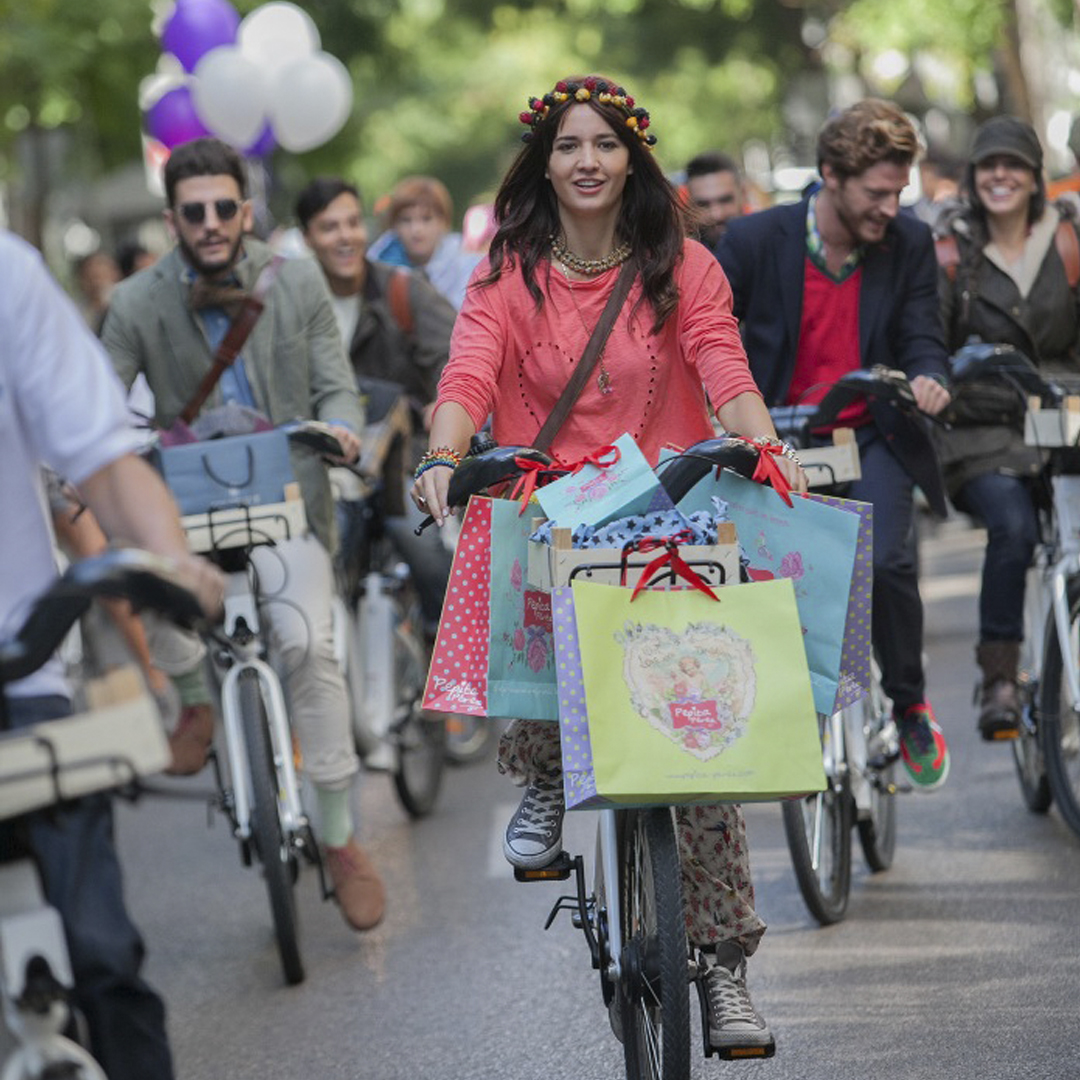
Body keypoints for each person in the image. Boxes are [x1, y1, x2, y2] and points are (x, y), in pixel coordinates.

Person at [411, 73, 807, 1056]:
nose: (585, 161)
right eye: (566, 145)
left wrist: (764, 443)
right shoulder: (507, 269)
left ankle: (719, 970)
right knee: (508, 554)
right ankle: (541, 772)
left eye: (604, 144)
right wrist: (443, 456)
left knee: (702, 735)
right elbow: (468, 370)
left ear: (633, 156)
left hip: (665, 507)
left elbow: (722, 361)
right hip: (549, 508)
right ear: (541, 162)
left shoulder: (683, 263)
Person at [100, 137, 386, 932]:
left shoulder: (294, 282)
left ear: (246, 210)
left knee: (307, 650)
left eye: (225, 207)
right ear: (172, 220)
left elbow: (336, 381)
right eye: (194, 213)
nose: (211, 223)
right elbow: (96, 408)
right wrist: (89, 467)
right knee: (140, 561)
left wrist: (342, 427)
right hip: (182, 512)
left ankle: (339, 839)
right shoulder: (134, 304)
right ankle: (194, 700)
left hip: (289, 501)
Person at [0, 228, 225, 1080]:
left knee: (102, 956)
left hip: (21, 669)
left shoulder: (6, 278)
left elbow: (99, 457)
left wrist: (170, 561)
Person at [717, 98, 954, 791]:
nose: (891, 206)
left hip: (872, 429)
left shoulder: (908, 242)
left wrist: (929, 377)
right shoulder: (756, 241)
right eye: (878, 193)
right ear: (830, 176)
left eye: (899, 192)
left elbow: (922, 336)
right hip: (772, 436)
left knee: (883, 561)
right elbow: (712, 337)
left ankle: (908, 702)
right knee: (763, 576)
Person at [934, 116, 1080, 738]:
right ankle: (999, 674)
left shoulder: (1069, 239)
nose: (1001, 175)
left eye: (1013, 165)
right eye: (989, 164)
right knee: (1013, 528)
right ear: (973, 176)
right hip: (981, 429)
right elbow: (930, 346)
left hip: (1065, 417)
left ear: (1034, 176)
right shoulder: (949, 249)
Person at [295, 177, 457, 643]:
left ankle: (442, 650)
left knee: (420, 538)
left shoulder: (402, 293)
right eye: (329, 227)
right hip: (323, 468)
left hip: (398, 463)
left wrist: (438, 409)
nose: (345, 236)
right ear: (307, 236)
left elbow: (458, 362)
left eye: (352, 222)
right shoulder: (293, 304)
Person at [367, 175, 483, 308]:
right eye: (406, 220)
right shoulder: (376, 267)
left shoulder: (471, 268)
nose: (416, 229)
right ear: (394, 226)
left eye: (426, 219)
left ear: (443, 222)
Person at [684, 150, 746, 249]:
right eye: (703, 205)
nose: (717, 215)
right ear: (690, 206)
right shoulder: (681, 260)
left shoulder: (771, 247)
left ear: (743, 195)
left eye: (725, 200)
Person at [73, 249, 120, 334]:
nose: (96, 283)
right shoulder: (76, 311)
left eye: (101, 276)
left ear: (114, 274)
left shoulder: (124, 305)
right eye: (90, 277)